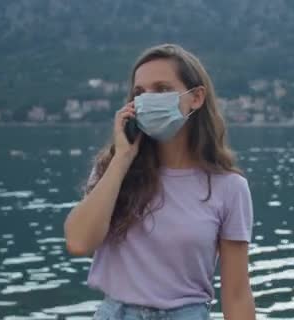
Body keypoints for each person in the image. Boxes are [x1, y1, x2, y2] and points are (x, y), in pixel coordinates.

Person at [64, 43, 255, 320]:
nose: (148, 99)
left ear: (196, 97)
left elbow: (237, 294)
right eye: (140, 92)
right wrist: (122, 159)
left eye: (162, 89)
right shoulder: (113, 171)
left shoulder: (229, 188)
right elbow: (79, 242)